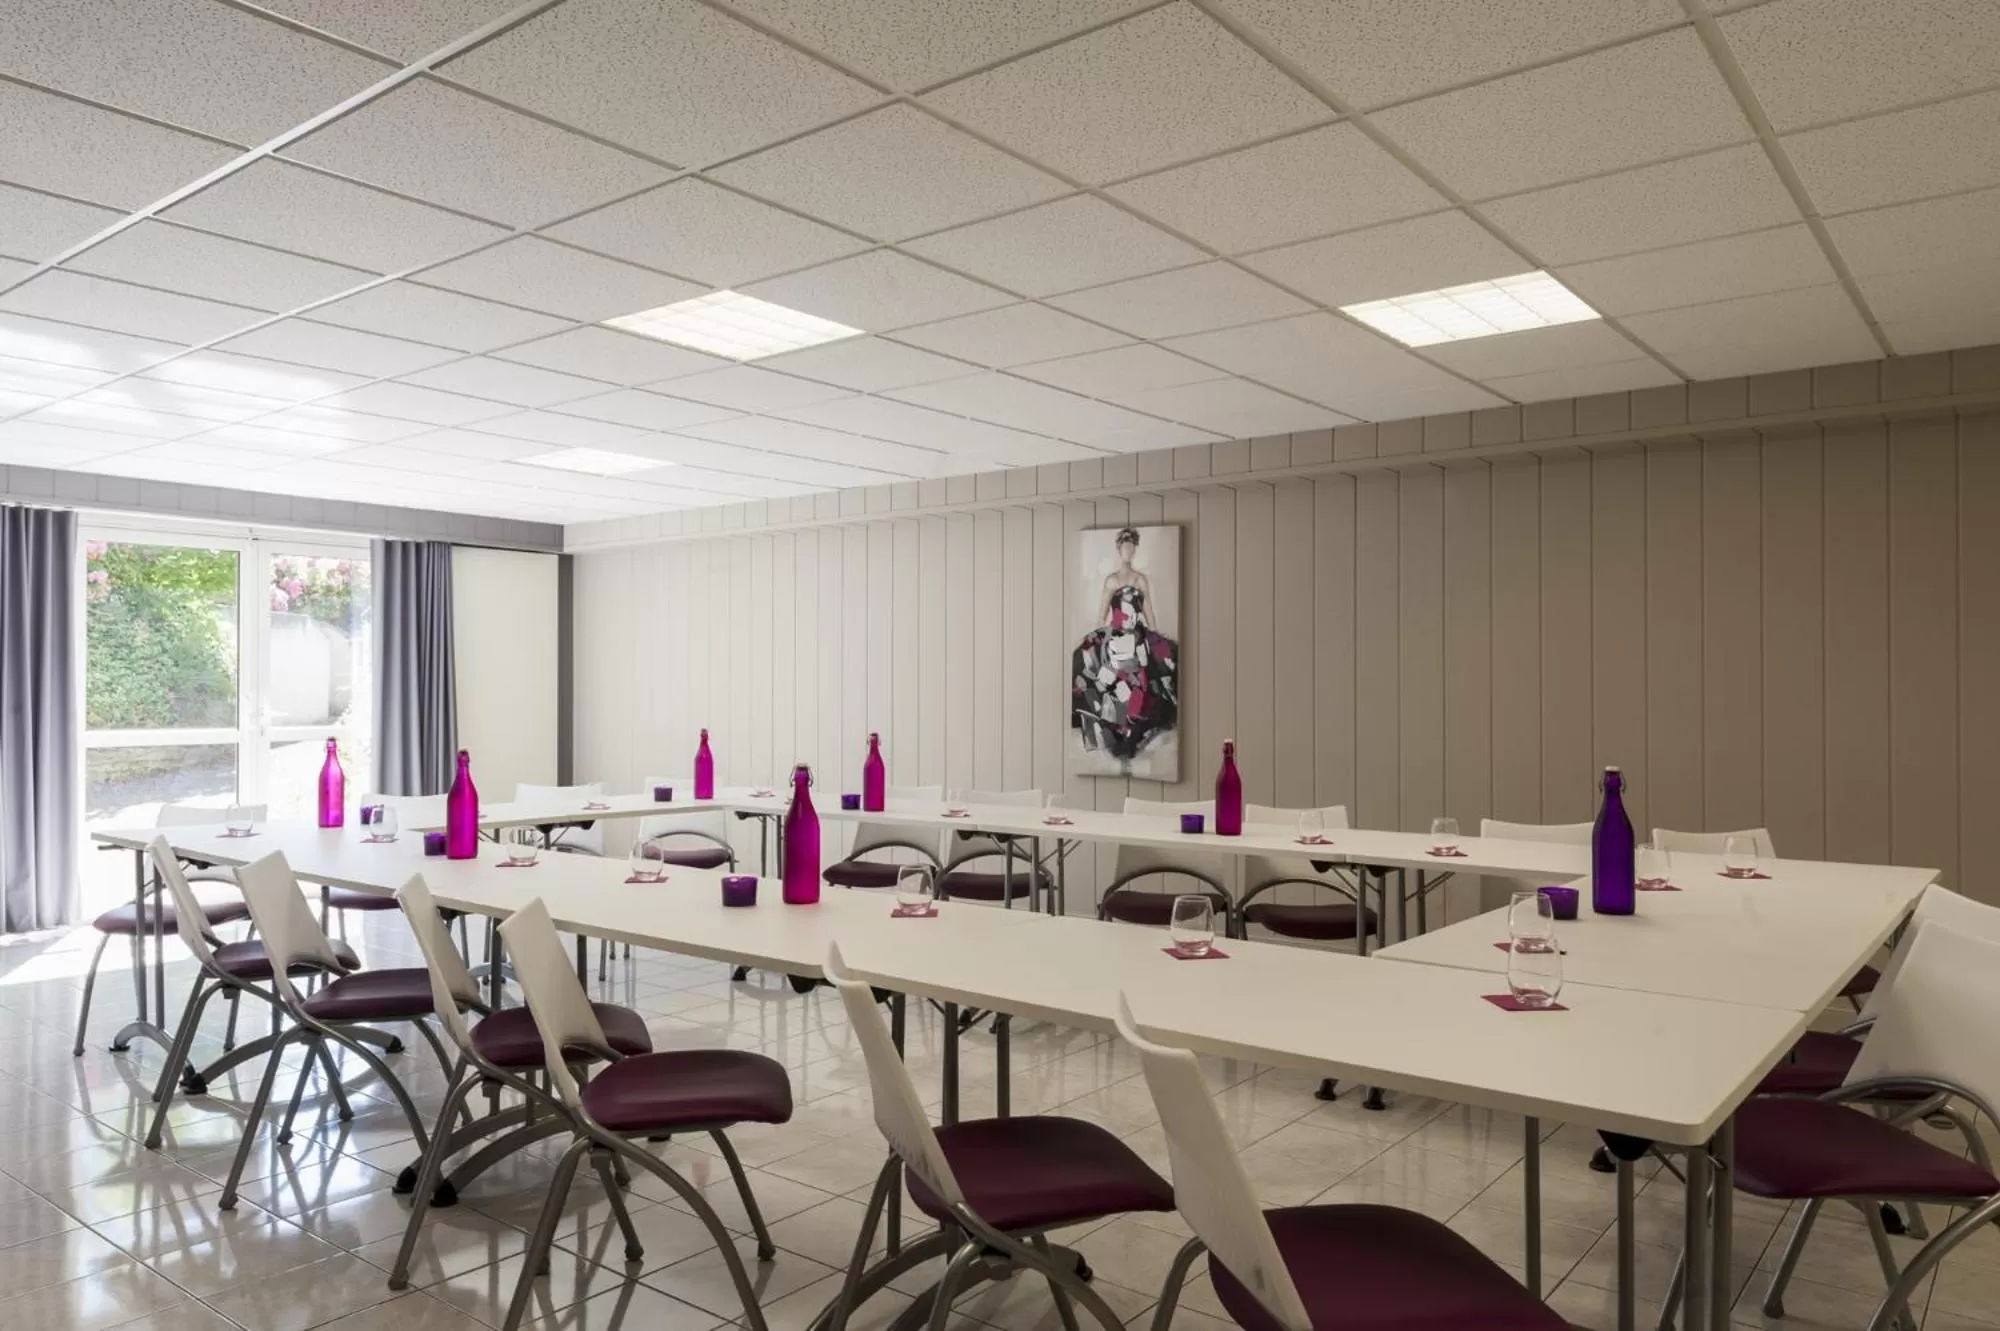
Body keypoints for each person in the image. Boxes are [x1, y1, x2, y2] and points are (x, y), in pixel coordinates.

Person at [1072, 527, 1178, 774]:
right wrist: (1100, 636)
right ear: (1120, 550)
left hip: (1137, 632)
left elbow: (1149, 608)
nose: (1128, 551)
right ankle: (1111, 728)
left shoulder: (1141, 579)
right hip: (1116, 632)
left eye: (1132, 547)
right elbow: (1102, 613)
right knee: (1101, 674)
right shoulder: (1111, 580)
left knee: (1145, 675)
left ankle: (1133, 728)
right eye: (1125, 547)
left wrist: (1152, 632)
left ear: (1134, 549)